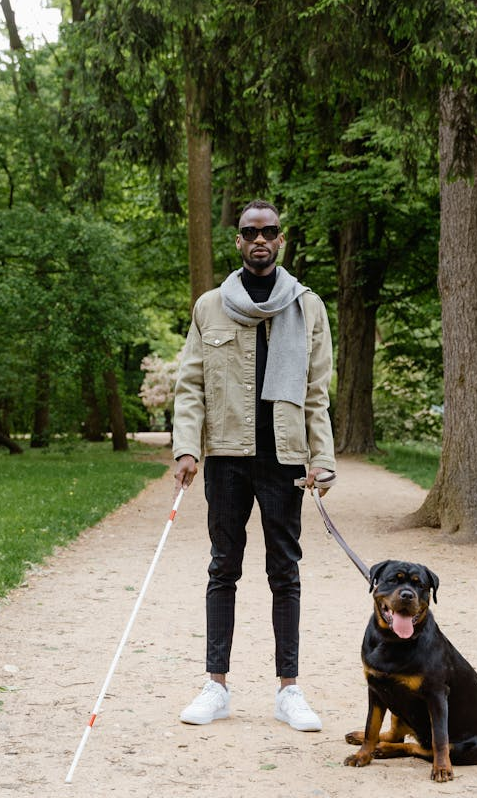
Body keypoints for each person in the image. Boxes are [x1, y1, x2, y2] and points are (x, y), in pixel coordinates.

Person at [171, 199, 336, 732]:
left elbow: (317, 392)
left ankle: (289, 690)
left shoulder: (307, 306)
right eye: (249, 232)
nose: (259, 240)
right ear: (238, 242)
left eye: (269, 232)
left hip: (284, 457)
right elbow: (191, 385)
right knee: (224, 567)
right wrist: (186, 448)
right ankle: (215, 685)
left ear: (281, 240)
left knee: (284, 572)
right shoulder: (210, 306)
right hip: (226, 458)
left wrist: (323, 460)